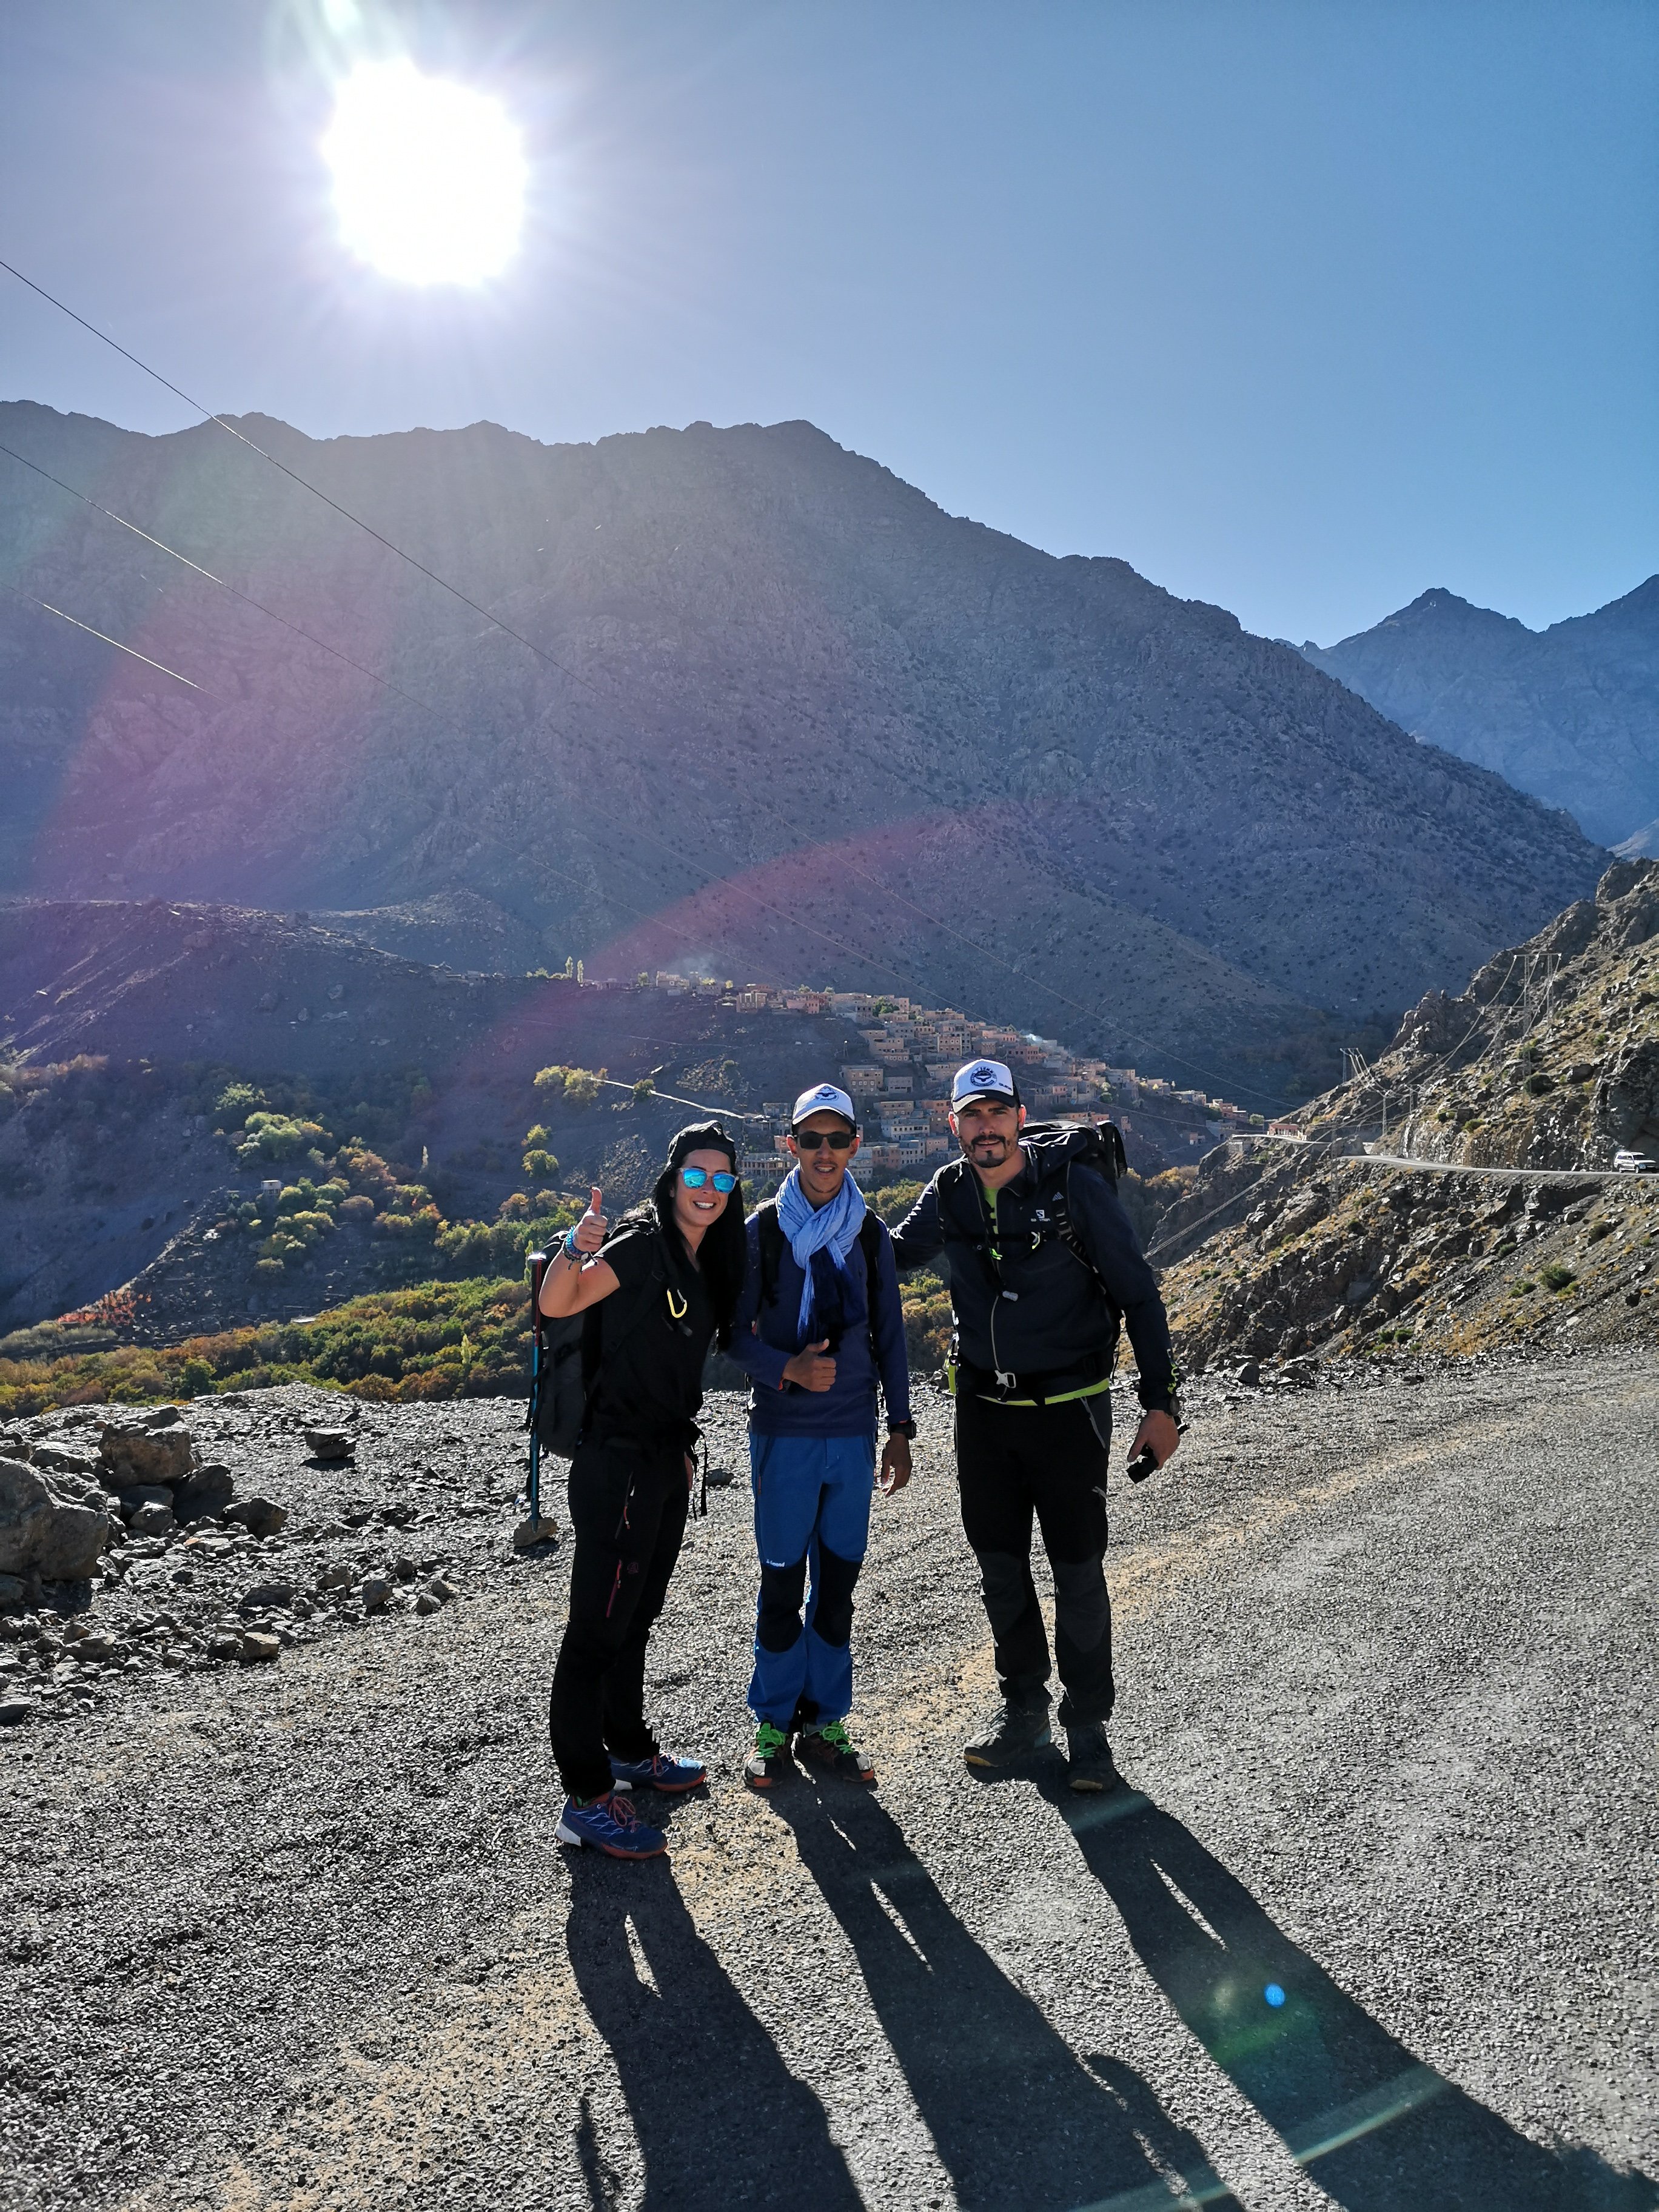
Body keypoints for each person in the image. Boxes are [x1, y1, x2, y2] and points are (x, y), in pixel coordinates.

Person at [890, 1059, 1181, 1791]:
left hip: (1069, 1413)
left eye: (997, 1113)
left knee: (1078, 1573)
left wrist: (1162, 1403)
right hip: (983, 1416)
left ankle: (1089, 1733)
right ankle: (1025, 1716)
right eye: (971, 1115)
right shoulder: (949, 1191)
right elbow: (887, 1256)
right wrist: (795, 1213)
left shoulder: (1074, 1186)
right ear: (950, 1123)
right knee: (1000, 1572)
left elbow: (1139, 1295)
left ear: (1020, 1117)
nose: (985, 1128)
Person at [539, 1122, 746, 1860]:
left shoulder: (705, 1257)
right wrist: (576, 1246)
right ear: (672, 1179)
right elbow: (559, 1303)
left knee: (636, 1619)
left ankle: (627, 1750)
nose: (710, 1190)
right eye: (698, 1175)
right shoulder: (638, 1246)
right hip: (616, 1466)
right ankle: (586, 1797)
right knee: (595, 1629)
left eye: (723, 1180)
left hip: (663, 1462)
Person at [729, 1082, 914, 1789]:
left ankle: (826, 1718)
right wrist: (788, 1370)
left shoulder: (869, 1235)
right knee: (782, 1583)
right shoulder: (764, 1232)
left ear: (856, 1147)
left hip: (853, 1434)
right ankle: (772, 1725)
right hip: (784, 1432)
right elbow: (733, 1339)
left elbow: (892, 1336)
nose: (826, 1152)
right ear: (792, 1146)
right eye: (813, 1140)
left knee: (837, 1586)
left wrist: (900, 1427)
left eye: (839, 1140)